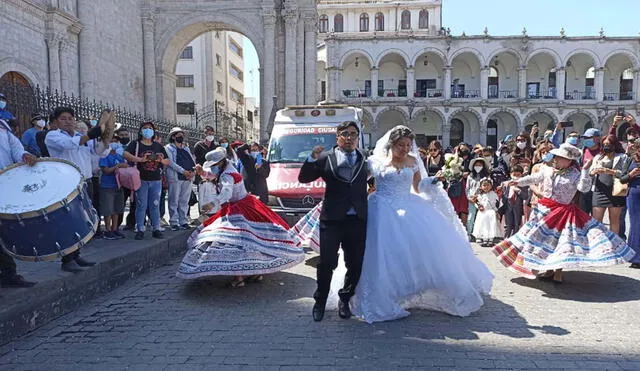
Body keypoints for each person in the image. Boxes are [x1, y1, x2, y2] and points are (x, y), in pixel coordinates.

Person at [297, 125, 493, 323]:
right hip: (361, 213)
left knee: (362, 261)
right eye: (401, 145)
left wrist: (433, 182)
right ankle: (321, 301)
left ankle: (351, 298)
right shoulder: (372, 162)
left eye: (408, 145)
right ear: (392, 144)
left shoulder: (397, 160)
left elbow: (418, 186)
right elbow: (327, 180)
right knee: (337, 261)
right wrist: (314, 160)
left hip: (387, 212)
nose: (405, 148)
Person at [492, 143, 634, 284]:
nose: (556, 159)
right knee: (542, 241)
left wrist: (585, 171)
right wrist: (515, 181)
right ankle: (548, 269)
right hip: (544, 210)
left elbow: (584, 188)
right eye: (556, 157)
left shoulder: (575, 174)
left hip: (563, 212)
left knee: (560, 242)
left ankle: (558, 272)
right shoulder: (548, 169)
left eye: (560, 157)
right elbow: (534, 178)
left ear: (568, 160)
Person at [176, 147, 303, 285]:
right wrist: (203, 173)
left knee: (234, 242)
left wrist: (212, 204)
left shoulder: (226, 175)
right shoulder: (228, 169)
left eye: (213, 166)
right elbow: (214, 177)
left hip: (238, 209)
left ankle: (239, 276)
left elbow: (226, 193)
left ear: (220, 163)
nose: (212, 168)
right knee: (251, 240)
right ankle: (254, 271)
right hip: (244, 206)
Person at [298, 121, 369, 322]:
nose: (349, 137)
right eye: (345, 134)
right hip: (332, 219)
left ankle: (345, 299)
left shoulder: (365, 157)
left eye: (353, 134)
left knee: (355, 264)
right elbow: (304, 178)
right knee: (327, 262)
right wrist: (311, 158)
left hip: (357, 220)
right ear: (337, 136)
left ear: (357, 137)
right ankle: (320, 301)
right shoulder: (325, 158)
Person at [44, 107, 103, 272]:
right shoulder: (53, 135)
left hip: (85, 181)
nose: (68, 121)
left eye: (70, 118)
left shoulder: (79, 136)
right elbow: (68, 145)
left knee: (82, 220)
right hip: (66, 183)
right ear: (56, 121)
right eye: (63, 119)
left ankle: (76, 254)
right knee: (68, 221)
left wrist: (102, 138)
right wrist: (90, 135)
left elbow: (100, 153)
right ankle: (67, 259)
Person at [0, 119, 38, 287]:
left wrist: (24, 155)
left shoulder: (3, 127)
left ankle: (9, 274)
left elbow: (16, 148)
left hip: (5, 185)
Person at [123, 122, 170, 240]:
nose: (148, 130)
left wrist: (161, 160)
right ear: (140, 131)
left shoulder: (158, 146)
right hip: (141, 179)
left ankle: (156, 228)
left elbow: (167, 161)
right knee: (141, 205)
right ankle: (140, 228)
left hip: (156, 180)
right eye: (145, 128)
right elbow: (126, 154)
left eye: (150, 128)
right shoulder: (135, 144)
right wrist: (140, 159)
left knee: (155, 205)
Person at [589, 134, 627, 236]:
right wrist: (593, 172)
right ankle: (598, 242)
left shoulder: (622, 157)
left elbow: (625, 173)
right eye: (604, 144)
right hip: (599, 190)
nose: (606, 146)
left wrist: (610, 171)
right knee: (596, 220)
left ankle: (614, 243)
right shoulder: (598, 157)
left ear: (614, 144)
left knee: (614, 219)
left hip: (615, 191)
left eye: (609, 144)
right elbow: (590, 171)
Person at [164, 127, 196, 231]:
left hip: (187, 177)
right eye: (178, 135)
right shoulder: (168, 148)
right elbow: (171, 163)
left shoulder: (186, 148)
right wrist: (183, 171)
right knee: (174, 200)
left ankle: (183, 221)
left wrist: (192, 172)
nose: (181, 137)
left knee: (184, 200)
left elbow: (191, 161)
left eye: (182, 135)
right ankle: (174, 221)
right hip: (175, 177)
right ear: (173, 136)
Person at [99, 138, 128, 240]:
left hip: (118, 185)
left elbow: (125, 168)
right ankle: (107, 230)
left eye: (116, 141)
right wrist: (118, 166)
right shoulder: (104, 156)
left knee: (117, 209)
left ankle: (114, 229)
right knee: (108, 209)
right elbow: (106, 170)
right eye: (112, 141)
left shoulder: (119, 156)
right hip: (107, 186)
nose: (115, 143)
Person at [619, 140, 640, 268]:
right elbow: (622, 179)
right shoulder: (629, 160)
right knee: (636, 224)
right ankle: (636, 257)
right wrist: (631, 174)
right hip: (634, 194)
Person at [499, 165, 528, 238]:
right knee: (508, 225)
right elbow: (502, 195)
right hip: (508, 206)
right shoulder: (506, 184)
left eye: (518, 175)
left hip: (518, 206)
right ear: (510, 174)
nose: (516, 176)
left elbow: (526, 196)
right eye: (514, 174)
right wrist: (502, 189)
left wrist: (519, 191)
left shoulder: (524, 184)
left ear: (522, 175)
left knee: (516, 224)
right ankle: (506, 239)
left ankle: (514, 240)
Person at [472, 178, 503, 247]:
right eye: (484, 185)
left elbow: (497, 203)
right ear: (481, 186)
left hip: (491, 212)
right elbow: (476, 202)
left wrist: (496, 211)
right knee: (482, 225)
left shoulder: (494, 194)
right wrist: (479, 206)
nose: (486, 187)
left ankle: (490, 239)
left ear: (491, 186)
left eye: (488, 185)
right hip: (482, 212)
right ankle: (483, 238)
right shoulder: (479, 195)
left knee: (491, 225)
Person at [579, 128, 602, 215]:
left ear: (597, 138)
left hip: (598, 187)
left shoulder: (603, 151)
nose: (586, 140)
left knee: (595, 216)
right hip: (584, 187)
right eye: (584, 138)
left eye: (588, 138)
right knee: (582, 214)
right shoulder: (584, 150)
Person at [466, 157, 490, 240]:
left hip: (482, 199)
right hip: (471, 199)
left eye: (480, 165)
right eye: (476, 165)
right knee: (471, 217)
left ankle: (481, 234)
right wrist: (469, 198)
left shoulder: (486, 176)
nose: (478, 166)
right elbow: (467, 188)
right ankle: (469, 233)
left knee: (481, 217)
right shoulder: (470, 176)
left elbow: (487, 187)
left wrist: (479, 196)